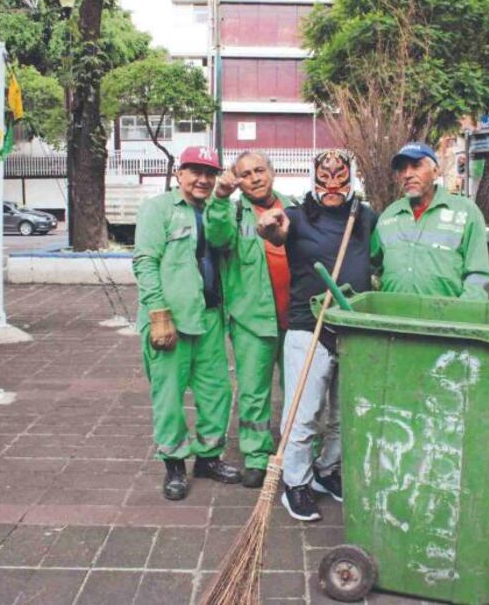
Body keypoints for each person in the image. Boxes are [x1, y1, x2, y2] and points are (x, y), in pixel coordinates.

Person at [257, 150, 378, 521]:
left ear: (351, 178)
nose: (332, 186)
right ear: (313, 178)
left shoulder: (364, 216)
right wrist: (268, 226)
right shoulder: (295, 216)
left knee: (344, 414)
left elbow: (374, 259)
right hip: (307, 329)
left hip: (352, 329)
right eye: (324, 178)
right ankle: (296, 482)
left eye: (339, 178)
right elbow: (274, 233)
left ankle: (327, 471)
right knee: (303, 413)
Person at [132, 146, 241, 502]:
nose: (203, 179)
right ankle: (175, 464)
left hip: (209, 317)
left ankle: (208, 458)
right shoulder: (158, 209)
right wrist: (157, 312)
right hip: (170, 319)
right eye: (195, 171)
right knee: (168, 397)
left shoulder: (218, 209)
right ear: (180, 174)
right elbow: (145, 261)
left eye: (210, 172)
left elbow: (225, 242)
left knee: (216, 393)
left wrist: (223, 202)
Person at [204, 151, 297, 489]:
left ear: (272, 172)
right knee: (254, 393)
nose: (255, 177)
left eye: (260, 170)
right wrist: (220, 196)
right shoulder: (231, 211)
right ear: (237, 180)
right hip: (251, 320)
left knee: (300, 391)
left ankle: (297, 454)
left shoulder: (295, 208)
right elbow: (216, 237)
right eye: (246, 173)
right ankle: (257, 457)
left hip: (296, 318)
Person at [372, 142, 489, 299]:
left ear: (435, 172)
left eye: (416, 166)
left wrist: (463, 315)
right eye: (402, 169)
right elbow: (373, 268)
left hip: (445, 319)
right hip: (394, 319)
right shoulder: (388, 216)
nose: (407, 174)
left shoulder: (466, 212)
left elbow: (478, 275)